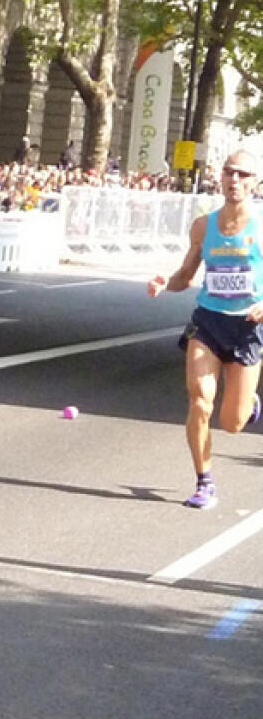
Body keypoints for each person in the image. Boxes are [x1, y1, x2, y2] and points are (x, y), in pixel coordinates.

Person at [148, 148, 263, 510]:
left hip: (248, 326)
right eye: (230, 172)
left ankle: (249, 403)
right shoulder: (203, 226)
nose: (235, 180)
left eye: (243, 175)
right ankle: (204, 480)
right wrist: (166, 281)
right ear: (220, 176)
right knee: (199, 400)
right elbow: (186, 276)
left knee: (232, 423)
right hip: (209, 321)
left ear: (255, 182)